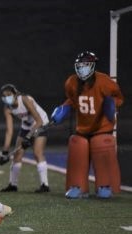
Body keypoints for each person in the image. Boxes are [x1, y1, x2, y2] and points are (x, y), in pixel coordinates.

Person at [50, 51, 124, 199]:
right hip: (82, 127)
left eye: (86, 65)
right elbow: (72, 100)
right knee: (77, 145)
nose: (83, 68)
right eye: (80, 65)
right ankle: (77, 186)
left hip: (101, 128)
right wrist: (63, 109)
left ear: (93, 66)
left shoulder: (104, 82)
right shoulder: (72, 82)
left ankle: (104, 185)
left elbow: (118, 97)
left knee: (101, 144)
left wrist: (111, 105)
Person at [0, 84, 50, 193]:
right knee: (17, 154)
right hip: (26, 126)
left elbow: (39, 120)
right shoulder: (7, 108)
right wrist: (5, 151)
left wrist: (28, 137)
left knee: (37, 153)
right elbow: (9, 131)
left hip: (41, 123)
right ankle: (13, 185)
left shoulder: (25, 100)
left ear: (15, 94)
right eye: (4, 96)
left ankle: (44, 185)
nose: (6, 97)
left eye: (9, 95)